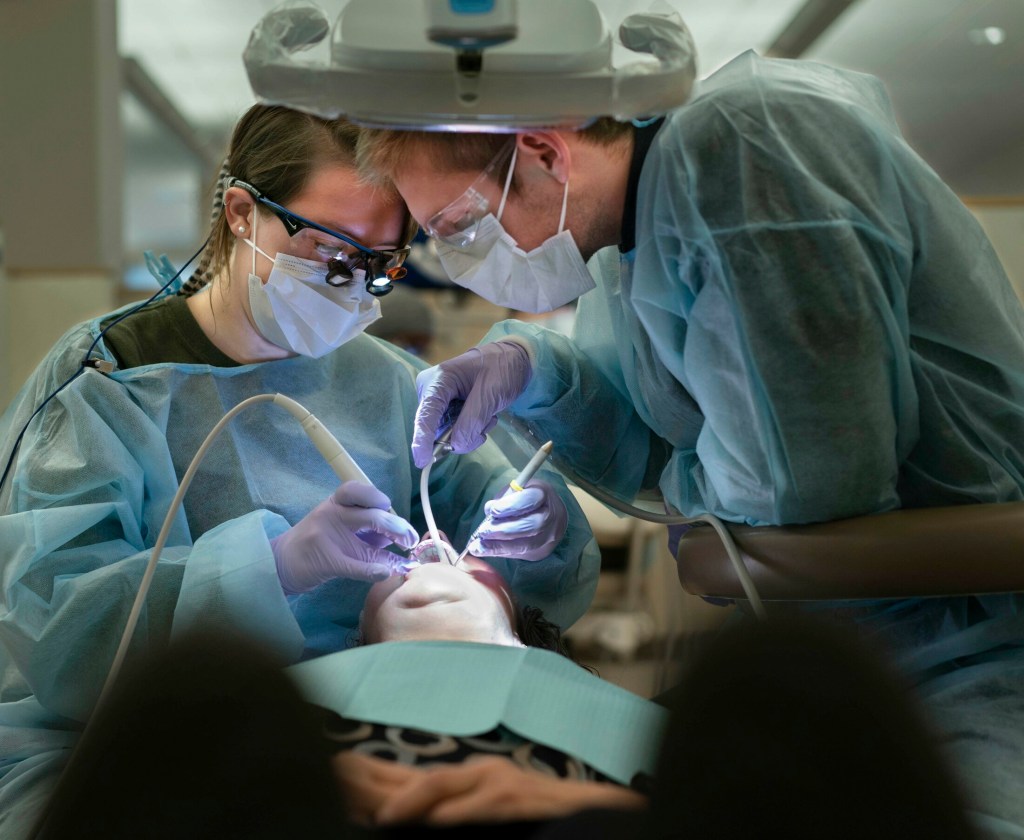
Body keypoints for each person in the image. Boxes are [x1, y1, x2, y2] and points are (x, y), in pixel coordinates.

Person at [355, 44, 1024, 834]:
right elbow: (671, 442)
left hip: (972, 647)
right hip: (835, 646)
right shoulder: (635, 241)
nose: (461, 260)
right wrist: (533, 370)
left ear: (542, 151)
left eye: (460, 226)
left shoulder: (742, 157)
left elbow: (801, 489)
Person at [0, 104, 599, 837]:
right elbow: (64, 642)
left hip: (369, 719)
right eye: (334, 255)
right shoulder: (109, 381)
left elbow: (513, 550)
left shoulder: (382, 379)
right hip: (130, 744)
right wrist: (276, 567)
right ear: (244, 213)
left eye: (380, 267)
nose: (353, 290)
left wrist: (541, 524)